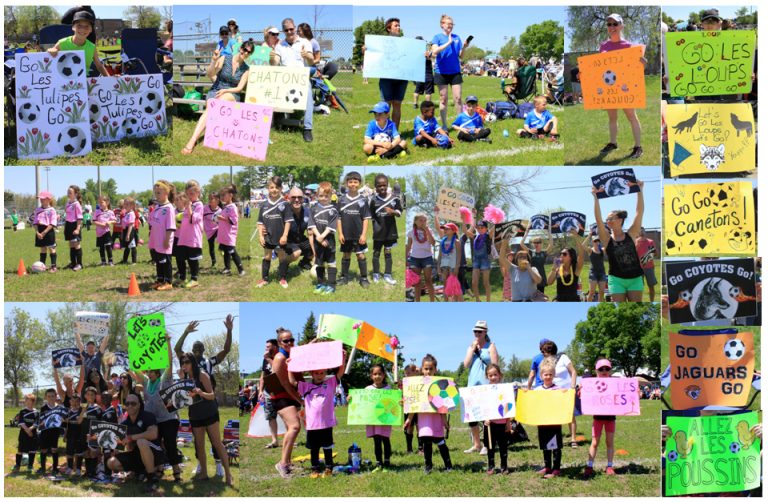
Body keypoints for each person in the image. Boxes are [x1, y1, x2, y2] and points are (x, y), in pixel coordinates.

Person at [181, 40, 254, 154]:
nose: (245, 53)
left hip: (232, 92)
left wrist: (226, 90)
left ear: (250, 54)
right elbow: (210, 74)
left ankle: (196, 140)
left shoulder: (246, 69)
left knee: (218, 102)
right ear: (240, 49)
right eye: (244, 50)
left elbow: (239, 88)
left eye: (248, 52)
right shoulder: (225, 58)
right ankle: (193, 139)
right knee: (211, 107)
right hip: (216, 89)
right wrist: (213, 60)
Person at [288, 346, 346, 478]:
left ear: (325, 373)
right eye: (316, 373)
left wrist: (343, 358)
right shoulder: (306, 386)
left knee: (327, 447)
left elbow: (340, 372)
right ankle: (314, 468)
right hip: (312, 425)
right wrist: (290, 366)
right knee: (314, 448)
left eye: (322, 373)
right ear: (312, 373)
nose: (319, 376)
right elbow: (292, 382)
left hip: (326, 424)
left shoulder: (331, 383)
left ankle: (329, 467)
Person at [595, 13, 645, 159]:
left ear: (621, 26)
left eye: (615, 24)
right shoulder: (603, 46)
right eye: (609, 24)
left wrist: (643, 63)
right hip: (609, 88)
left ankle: (638, 147)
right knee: (612, 117)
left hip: (625, 87)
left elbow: (637, 69)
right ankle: (613, 143)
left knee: (631, 116)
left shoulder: (629, 46)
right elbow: (598, 69)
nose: (612, 27)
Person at [179, 354, 233, 486]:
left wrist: (200, 393)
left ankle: (228, 473)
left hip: (209, 413)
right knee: (199, 445)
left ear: (192, 362)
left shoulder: (202, 375)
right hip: (195, 415)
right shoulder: (184, 378)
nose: (184, 365)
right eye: (182, 363)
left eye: (186, 362)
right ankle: (203, 473)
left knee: (217, 443)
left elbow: (212, 395)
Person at [136, 334, 182, 481]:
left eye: (151, 371)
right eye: (147, 371)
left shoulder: (165, 380)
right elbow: (136, 367)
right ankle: (159, 469)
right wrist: (136, 339)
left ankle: (176, 472)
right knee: (156, 445)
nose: (148, 373)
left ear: (157, 372)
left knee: (169, 445)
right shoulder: (146, 382)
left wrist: (168, 342)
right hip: (154, 422)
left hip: (168, 419)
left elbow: (169, 361)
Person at [592, 180, 645, 302]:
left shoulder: (631, 234)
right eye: (607, 218)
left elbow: (639, 212)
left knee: (635, 311)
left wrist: (640, 190)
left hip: (635, 278)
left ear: (620, 220)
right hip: (616, 280)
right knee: (621, 311)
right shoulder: (606, 239)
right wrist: (595, 197)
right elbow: (598, 219)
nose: (608, 220)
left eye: (611, 218)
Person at [107, 393, 167, 492]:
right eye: (127, 403)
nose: (130, 406)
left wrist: (131, 437)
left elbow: (153, 434)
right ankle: (140, 472)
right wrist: (93, 439)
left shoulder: (148, 416)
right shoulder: (124, 423)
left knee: (141, 442)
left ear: (139, 405)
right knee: (111, 462)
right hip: (137, 454)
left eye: (133, 403)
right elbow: (119, 442)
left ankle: (152, 478)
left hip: (155, 452)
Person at [404, 354, 452, 473]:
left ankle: (448, 465)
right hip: (423, 419)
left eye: (431, 368)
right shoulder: (417, 384)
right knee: (426, 443)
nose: (428, 371)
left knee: (440, 441)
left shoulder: (440, 384)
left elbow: (443, 405)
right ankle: (428, 466)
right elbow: (414, 403)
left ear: (435, 369)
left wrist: (445, 421)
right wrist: (409, 419)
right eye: (426, 368)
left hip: (436, 418)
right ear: (422, 369)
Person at [273, 18, 315, 142]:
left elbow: (312, 61)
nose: (290, 32)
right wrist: (272, 59)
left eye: (291, 29)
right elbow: (275, 62)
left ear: (295, 27)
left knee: (308, 93)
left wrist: (307, 56)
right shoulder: (279, 45)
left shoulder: (305, 42)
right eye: (286, 30)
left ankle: (307, 128)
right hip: (285, 79)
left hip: (301, 78)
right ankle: (277, 121)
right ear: (283, 31)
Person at [271, 328, 305, 478]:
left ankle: (287, 462)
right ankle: (283, 463)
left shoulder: (293, 353)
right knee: (295, 426)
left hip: (291, 396)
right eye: (286, 341)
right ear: (279, 343)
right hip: (281, 397)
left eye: (292, 340)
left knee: (292, 429)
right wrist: (299, 400)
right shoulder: (279, 358)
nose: (290, 343)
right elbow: (285, 384)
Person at [463, 320, 499, 454]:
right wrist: (472, 350)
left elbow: (495, 365)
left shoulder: (491, 346)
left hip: (486, 385)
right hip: (472, 385)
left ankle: (486, 444)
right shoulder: (470, 347)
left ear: (485, 332)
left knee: (486, 414)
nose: (477, 333)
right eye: (475, 331)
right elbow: (466, 365)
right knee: (472, 416)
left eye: (480, 331)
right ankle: (476, 444)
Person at [431, 14, 467, 130]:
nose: (451, 26)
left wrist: (465, 47)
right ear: (442, 25)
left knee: (458, 98)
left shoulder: (457, 37)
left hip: (455, 72)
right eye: (448, 24)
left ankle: (460, 124)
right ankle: (444, 125)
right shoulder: (437, 37)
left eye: (452, 24)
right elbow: (435, 52)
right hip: (441, 72)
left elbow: (461, 56)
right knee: (443, 99)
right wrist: (448, 43)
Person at [337, 171, 372, 287]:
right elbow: (339, 218)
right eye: (350, 182)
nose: (353, 184)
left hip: (358, 235)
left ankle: (364, 278)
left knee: (360, 255)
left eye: (355, 182)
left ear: (360, 183)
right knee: (346, 254)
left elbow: (366, 218)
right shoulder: (341, 200)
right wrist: (340, 233)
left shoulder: (363, 200)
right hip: (346, 234)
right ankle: (344, 277)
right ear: (346, 183)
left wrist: (363, 234)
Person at [47, 10, 108, 77]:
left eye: (86, 26)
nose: (82, 29)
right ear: (73, 27)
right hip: (63, 81)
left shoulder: (92, 47)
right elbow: (49, 56)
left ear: (91, 29)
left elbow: (99, 66)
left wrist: (110, 78)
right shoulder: (62, 43)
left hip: (84, 82)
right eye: (79, 26)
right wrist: (50, 51)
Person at [584, 359, 618, 477]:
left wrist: (635, 393)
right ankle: (589, 466)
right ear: (596, 371)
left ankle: (609, 466)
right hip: (597, 418)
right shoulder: (591, 384)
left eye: (607, 368)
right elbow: (585, 395)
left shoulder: (615, 383)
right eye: (601, 369)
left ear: (610, 370)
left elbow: (625, 395)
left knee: (609, 442)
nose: (604, 371)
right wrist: (581, 392)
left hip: (610, 418)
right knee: (594, 443)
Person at [256, 176, 290, 288]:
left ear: (281, 189)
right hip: (268, 236)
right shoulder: (264, 205)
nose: (274, 190)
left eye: (277, 187)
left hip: (280, 237)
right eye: (271, 187)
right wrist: (260, 235)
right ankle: (264, 279)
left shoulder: (285, 204)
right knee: (267, 256)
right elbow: (260, 222)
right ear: (268, 188)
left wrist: (285, 235)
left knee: (282, 256)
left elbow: (288, 221)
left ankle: (283, 278)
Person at [377, 18, 409, 130]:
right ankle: (385, 131)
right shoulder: (381, 42)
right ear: (389, 28)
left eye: (399, 25)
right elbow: (374, 55)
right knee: (386, 105)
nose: (398, 27)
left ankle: (395, 132)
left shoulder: (405, 43)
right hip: (387, 77)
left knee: (397, 105)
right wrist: (365, 50)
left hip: (402, 77)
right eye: (396, 25)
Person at [308, 181, 340, 294]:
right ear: (317, 196)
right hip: (318, 241)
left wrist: (322, 237)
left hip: (329, 240)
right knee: (319, 263)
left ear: (331, 196)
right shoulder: (313, 208)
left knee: (331, 262)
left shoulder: (333, 210)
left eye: (326, 196)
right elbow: (311, 224)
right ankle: (320, 283)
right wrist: (318, 237)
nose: (323, 198)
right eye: (321, 196)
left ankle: (331, 285)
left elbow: (331, 226)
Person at [370, 174, 402, 285]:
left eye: (384, 185)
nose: (382, 188)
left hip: (390, 232)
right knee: (376, 253)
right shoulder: (373, 200)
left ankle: (388, 274)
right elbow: (371, 215)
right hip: (378, 233)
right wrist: (375, 225)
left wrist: (393, 212)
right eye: (379, 186)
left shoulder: (394, 199)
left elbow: (399, 212)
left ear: (388, 185)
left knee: (388, 253)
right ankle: (376, 274)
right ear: (375, 187)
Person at [535, 357, 563, 478]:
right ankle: (547, 466)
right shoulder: (537, 390)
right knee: (545, 445)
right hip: (542, 422)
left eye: (550, 374)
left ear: (554, 375)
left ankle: (556, 468)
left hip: (555, 423)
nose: (548, 376)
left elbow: (563, 402)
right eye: (546, 374)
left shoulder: (558, 389)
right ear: (541, 375)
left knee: (556, 446)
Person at [363, 364, 393, 470]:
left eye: (379, 374)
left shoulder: (388, 389)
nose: (377, 376)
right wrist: (351, 399)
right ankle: (379, 462)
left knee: (386, 439)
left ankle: (387, 460)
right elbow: (362, 402)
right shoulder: (367, 389)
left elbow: (392, 403)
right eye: (375, 374)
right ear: (371, 376)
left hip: (385, 419)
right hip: (373, 420)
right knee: (376, 440)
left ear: (384, 375)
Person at [176, 180, 205, 288]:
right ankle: (182, 277)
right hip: (183, 236)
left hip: (193, 237)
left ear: (198, 192)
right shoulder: (189, 204)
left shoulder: (199, 205)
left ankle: (194, 279)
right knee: (180, 257)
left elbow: (193, 220)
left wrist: (188, 207)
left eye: (192, 194)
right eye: (187, 194)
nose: (189, 196)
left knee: (193, 259)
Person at [148, 180, 176, 290]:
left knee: (166, 261)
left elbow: (171, 226)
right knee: (159, 261)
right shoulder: (157, 207)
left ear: (166, 193)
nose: (156, 195)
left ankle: (168, 282)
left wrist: (167, 240)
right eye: (155, 193)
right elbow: (152, 221)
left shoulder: (169, 208)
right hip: (156, 239)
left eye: (159, 193)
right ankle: (160, 280)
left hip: (164, 240)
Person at [483, 364, 511, 474]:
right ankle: (491, 466)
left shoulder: (505, 390)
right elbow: (482, 406)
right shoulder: (484, 390)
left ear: (500, 375)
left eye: (495, 374)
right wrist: (485, 419)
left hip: (502, 424)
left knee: (503, 446)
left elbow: (508, 406)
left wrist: (508, 422)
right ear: (487, 376)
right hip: (489, 424)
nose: (493, 377)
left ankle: (504, 466)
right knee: (490, 446)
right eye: (490, 375)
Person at [546, 229, 586, 302]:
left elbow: (581, 254)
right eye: (561, 253)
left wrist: (575, 236)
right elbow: (549, 282)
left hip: (573, 301)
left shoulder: (576, 269)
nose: (561, 256)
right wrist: (554, 268)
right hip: (559, 301)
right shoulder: (558, 269)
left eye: (564, 254)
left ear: (571, 257)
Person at [282, 187, 314, 274]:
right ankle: (282, 265)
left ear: (303, 198)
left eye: (299, 197)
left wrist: (315, 253)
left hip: (300, 239)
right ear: (288, 198)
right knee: (296, 253)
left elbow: (310, 233)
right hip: (287, 242)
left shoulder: (308, 212)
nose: (297, 200)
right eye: (294, 197)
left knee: (316, 246)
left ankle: (304, 263)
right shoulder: (283, 211)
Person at [36, 388, 66, 475]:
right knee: (44, 450)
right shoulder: (43, 408)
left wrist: (63, 420)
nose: (51, 398)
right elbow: (40, 421)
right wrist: (41, 423)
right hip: (45, 432)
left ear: (56, 396)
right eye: (49, 396)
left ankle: (55, 468)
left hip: (55, 431)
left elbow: (64, 420)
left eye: (53, 396)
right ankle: (43, 468)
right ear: (46, 397)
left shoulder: (60, 408)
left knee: (54, 450)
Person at [434, 210, 463, 301]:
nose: (445, 230)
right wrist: (438, 266)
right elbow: (439, 255)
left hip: (453, 266)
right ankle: (446, 302)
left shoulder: (456, 242)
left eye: (447, 229)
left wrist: (457, 267)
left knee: (454, 284)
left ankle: (458, 301)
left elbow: (459, 256)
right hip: (443, 265)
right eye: (444, 229)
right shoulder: (442, 241)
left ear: (453, 231)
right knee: (445, 285)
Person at [217, 184, 245, 276]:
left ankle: (241, 269)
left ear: (230, 195)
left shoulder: (232, 207)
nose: (222, 197)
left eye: (224, 195)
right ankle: (227, 268)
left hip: (229, 235)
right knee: (225, 252)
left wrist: (222, 219)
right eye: (222, 195)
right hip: (224, 234)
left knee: (232, 252)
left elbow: (234, 221)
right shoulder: (226, 207)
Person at [406, 213, 435, 302]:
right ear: (415, 221)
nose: (423, 222)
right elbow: (409, 246)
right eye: (420, 220)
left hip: (427, 257)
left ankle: (432, 302)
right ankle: (417, 302)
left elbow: (433, 243)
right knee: (417, 282)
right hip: (415, 258)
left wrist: (427, 231)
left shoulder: (429, 230)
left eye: (425, 220)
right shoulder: (411, 232)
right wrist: (405, 258)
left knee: (428, 280)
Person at [258, 339, 280, 448]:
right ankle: (274, 440)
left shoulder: (280, 357)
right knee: (271, 415)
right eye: (265, 347)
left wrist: (268, 358)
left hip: (281, 390)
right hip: (268, 391)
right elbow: (263, 376)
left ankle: (289, 439)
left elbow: (278, 370)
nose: (266, 349)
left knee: (286, 415)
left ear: (275, 347)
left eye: (268, 347)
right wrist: (260, 390)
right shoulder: (265, 360)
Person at [520, 227, 554, 294]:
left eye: (538, 242)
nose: (536, 244)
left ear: (541, 243)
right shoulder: (531, 252)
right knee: (531, 297)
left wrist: (549, 232)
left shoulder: (543, 253)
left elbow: (551, 245)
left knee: (541, 296)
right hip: (532, 277)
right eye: (535, 242)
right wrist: (526, 233)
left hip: (541, 276)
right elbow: (522, 244)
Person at [12, 394, 39, 474]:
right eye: (25, 399)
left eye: (27, 400)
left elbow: (36, 422)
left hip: (33, 434)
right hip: (23, 434)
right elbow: (21, 422)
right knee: (20, 450)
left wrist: (30, 430)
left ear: (33, 401)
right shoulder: (22, 411)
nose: (25, 401)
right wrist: (27, 430)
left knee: (32, 450)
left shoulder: (36, 412)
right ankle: (17, 465)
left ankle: (30, 466)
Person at [468, 220, 495, 302]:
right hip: (476, 260)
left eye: (482, 227)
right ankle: (478, 300)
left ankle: (488, 301)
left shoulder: (488, 236)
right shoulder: (475, 236)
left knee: (485, 283)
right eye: (478, 227)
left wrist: (495, 219)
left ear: (486, 228)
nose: (480, 229)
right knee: (474, 283)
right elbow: (467, 232)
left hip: (485, 260)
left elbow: (494, 227)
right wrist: (470, 220)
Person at [33, 191, 58, 272]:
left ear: (48, 199)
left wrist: (44, 232)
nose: (41, 200)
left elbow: (53, 223)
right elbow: (35, 223)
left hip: (49, 231)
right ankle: (42, 266)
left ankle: (53, 266)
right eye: (40, 198)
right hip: (39, 230)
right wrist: (37, 232)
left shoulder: (52, 210)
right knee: (43, 249)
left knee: (51, 248)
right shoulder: (38, 210)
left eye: (43, 198)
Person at [63, 185, 84, 271]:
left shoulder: (77, 204)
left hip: (75, 225)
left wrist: (78, 229)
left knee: (76, 244)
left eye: (70, 192)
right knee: (71, 244)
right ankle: (73, 263)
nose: (68, 194)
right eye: (68, 192)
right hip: (68, 224)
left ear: (75, 194)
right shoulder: (68, 203)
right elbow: (66, 212)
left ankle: (79, 264)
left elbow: (79, 218)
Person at [634, 227, 657, 302]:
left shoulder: (650, 242)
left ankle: (652, 302)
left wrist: (645, 260)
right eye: (640, 231)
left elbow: (655, 254)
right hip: (638, 269)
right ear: (638, 233)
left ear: (645, 233)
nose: (642, 232)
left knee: (651, 287)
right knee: (639, 288)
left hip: (649, 268)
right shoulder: (635, 243)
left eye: (643, 231)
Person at [93, 195, 117, 267]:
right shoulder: (97, 211)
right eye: (99, 202)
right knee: (101, 247)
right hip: (99, 233)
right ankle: (103, 261)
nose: (100, 204)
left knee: (108, 246)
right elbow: (94, 221)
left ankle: (110, 261)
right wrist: (100, 224)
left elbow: (115, 221)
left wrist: (109, 222)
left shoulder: (110, 212)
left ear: (107, 202)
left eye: (102, 202)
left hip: (106, 232)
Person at [412, 36, 435, 109]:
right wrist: (431, 49)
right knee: (428, 92)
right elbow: (431, 57)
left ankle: (415, 104)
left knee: (417, 90)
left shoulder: (414, 52)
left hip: (419, 74)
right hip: (428, 74)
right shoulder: (426, 51)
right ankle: (427, 106)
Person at [586, 235, 608, 302]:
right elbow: (583, 245)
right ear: (593, 242)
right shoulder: (590, 250)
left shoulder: (602, 250)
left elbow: (609, 243)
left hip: (602, 272)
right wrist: (589, 236)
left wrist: (604, 234)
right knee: (592, 292)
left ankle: (599, 305)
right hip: (593, 273)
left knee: (601, 292)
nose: (597, 242)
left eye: (598, 241)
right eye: (595, 241)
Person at [203, 193, 221, 268]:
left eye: (211, 199)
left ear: (217, 200)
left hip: (217, 229)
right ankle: (214, 262)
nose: (209, 200)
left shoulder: (220, 210)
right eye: (209, 198)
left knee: (222, 241)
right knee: (211, 247)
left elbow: (221, 222)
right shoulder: (205, 208)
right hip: (208, 231)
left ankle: (222, 249)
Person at [119, 198, 138, 265]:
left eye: (127, 204)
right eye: (124, 204)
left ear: (132, 205)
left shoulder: (131, 214)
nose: (125, 205)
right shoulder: (126, 213)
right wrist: (122, 232)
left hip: (130, 231)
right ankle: (124, 260)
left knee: (132, 246)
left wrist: (128, 235)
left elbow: (130, 225)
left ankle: (134, 261)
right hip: (125, 230)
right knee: (127, 246)